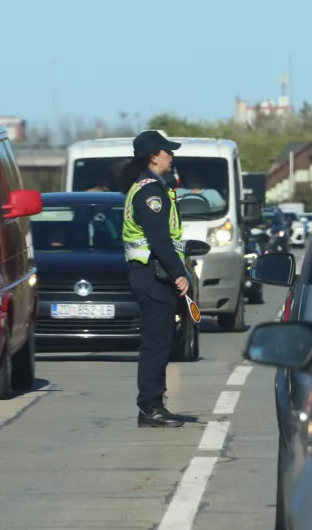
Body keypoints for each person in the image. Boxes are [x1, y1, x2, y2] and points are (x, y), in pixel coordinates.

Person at [120, 130, 190, 428]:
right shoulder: (151, 193)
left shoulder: (155, 188)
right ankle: (149, 407)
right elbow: (159, 241)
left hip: (152, 275)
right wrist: (180, 273)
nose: (171, 157)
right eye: (167, 152)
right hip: (151, 275)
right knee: (155, 343)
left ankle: (154, 404)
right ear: (153, 157)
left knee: (161, 341)